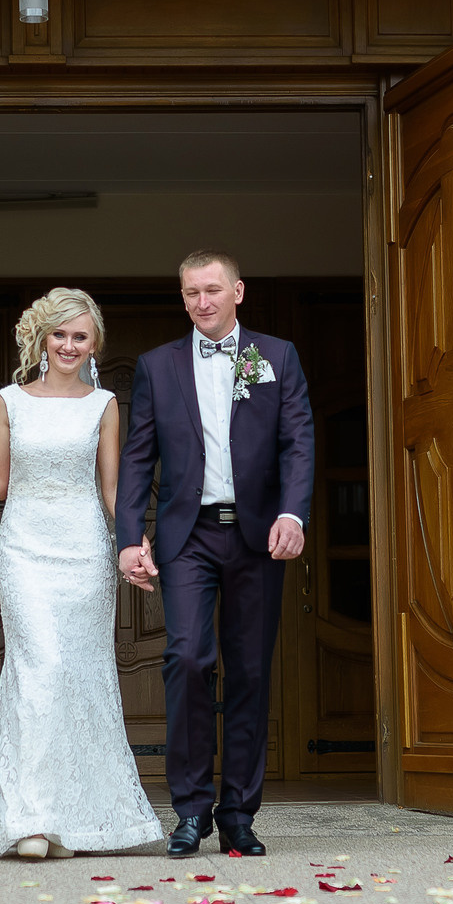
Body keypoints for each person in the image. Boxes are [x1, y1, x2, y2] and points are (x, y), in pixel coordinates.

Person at [0, 289, 163, 860]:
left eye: (81, 337)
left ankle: (68, 823)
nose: (69, 346)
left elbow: (112, 488)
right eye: (60, 334)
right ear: (42, 338)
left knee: (78, 676)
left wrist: (135, 540)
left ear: (94, 345)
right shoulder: (9, 401)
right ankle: (29, 821)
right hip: (24, 551)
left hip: (85, 556)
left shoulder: (104, 405)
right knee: (38, 669)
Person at [115, 251, 313, 859]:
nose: (202, 302)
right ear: (181, 298)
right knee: (189, 658)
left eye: (213, 291)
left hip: (257, 535)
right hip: (187, 538)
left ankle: (238, 815)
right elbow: (138, 457)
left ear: (238, 291)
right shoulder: (156, 365)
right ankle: (191, 810)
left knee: (250, 670)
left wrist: (292, 511)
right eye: (191, 293)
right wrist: (128, 535)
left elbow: (298, 441)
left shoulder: (276, 357)